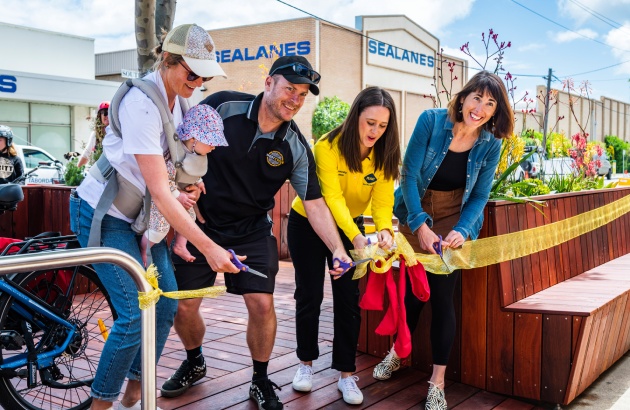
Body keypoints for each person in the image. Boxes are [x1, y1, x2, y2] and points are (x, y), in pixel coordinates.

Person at [161, 55, 353, 410]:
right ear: (268, 84)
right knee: (184, 307)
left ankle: (260, 378)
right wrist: (181, 207)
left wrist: (339, 250)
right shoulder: (222, 106)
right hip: (202, 224)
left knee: (262, 304)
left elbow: (314, 204)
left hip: (251, 230)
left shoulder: (294, 145)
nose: (295, 99)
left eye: (302, 94)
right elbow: (178, 147)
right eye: (289, 89)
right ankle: (194, 360)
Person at [69, 23, 241, 410]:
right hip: (104, 213)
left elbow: (181, 169)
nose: (198, 81)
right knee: (135, 313)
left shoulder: (181, 99)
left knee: (164, 305)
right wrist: (209, 246)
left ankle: (135, 391)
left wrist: (192, 186)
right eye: (191, 72)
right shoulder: (142, 103)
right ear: (167, 60)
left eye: (205, 75)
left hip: (144, 219)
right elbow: (162, 192)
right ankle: (101, 404)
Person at [372, 70, 514, 410]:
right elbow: (408, 174)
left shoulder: (491, 143)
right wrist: (419, 222)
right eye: (477, 98)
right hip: (415, 207)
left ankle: (437, 382)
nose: (480, 108)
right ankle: (397, 353)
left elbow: (480, 194)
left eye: (490, 103)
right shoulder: (431, 121)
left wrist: (463, 229)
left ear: (495, 112)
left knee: (441, 295)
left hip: (453, 213)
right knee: (411, 292)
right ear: (463, 97)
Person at [287, 87, 401, 404]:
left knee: (348, 300)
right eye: (369, 123)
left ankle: (346, 375)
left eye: (382, 126)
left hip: (352, 228)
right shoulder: (327, 146)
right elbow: (332, 200)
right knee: (309, 294)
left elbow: (381, 204)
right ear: (355, 118)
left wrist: (383, 231)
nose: (375, 131)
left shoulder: (384, 155)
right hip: (310, 222)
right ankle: (305, 365)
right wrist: (354, 237)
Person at [138, 104, 228, 266]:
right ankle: (144, 250)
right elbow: (164, 179)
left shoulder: (193, 153)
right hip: (162, 199)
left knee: (190, 217)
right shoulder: (176, 156)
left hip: (177, 196)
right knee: (159, 230)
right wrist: (178, 196)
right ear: (193, 139)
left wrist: (198, 182)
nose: (214, 146)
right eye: (211, 142)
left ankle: (180, 245)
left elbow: (191, 171)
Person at [78, 101, 110, 168]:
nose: (107, 116)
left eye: (110, 113)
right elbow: (86, 154)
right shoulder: (95, 135)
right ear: (99, 116)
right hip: (99, 170)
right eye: (105, 113)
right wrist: (77, 170)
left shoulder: (117, 134)